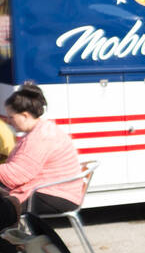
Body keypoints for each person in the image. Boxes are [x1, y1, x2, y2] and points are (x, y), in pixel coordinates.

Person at [0, 83, 84, 227]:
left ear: (25, 115)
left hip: (56, 194)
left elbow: (16, 175)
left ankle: (12, 246)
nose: (9, 121)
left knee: (4, 209)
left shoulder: (40, 136)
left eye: (11, 117)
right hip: (57, 190)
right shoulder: (42, 130)